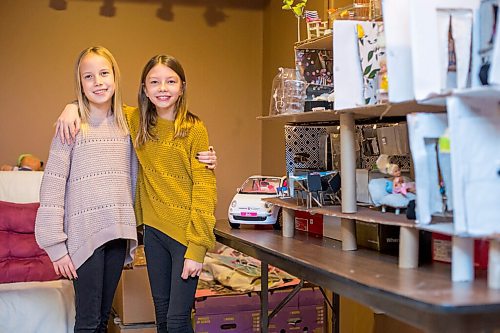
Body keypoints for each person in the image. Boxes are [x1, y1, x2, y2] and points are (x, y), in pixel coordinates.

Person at [55, 54, 217, 333]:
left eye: (170, 81)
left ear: (182, 86)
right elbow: (99, 102)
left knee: (178, 321)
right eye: (154, 82)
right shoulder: (136, 121)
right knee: (162, 315)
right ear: (144, 88)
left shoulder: (194, 129)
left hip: (185, 235)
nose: (163, 88)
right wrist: (71, 107)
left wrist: (198, 247)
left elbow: (205, 188)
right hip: (154, 233)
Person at [35, 46, 138, 333]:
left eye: (104, 73)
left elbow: (164, 131)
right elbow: (53, 186)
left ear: (115, 77)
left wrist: (203, 157)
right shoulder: (71, 124)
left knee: (103, 319)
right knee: (88, 321)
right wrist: (56, 247)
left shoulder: (128, 123)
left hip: (117, 232)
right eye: (88, 76)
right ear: (80, 83)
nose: (98, 82)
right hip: (84, 235)